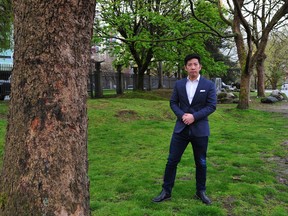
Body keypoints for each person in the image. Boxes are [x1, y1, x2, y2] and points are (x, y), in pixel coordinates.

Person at [152, 54, 217, 205]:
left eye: (195, 64)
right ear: (185, 68)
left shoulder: (208, 85)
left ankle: (201, 191)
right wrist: (183, 116)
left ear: (200, 66)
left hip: (200, 130)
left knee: (201, 162)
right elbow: (173, 102)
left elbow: (211, 106)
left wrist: (194, 117)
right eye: (190, 65)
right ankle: (166, 191)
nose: (193, 67)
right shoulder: (179, 84)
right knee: (172, 161)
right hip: (181, 130)